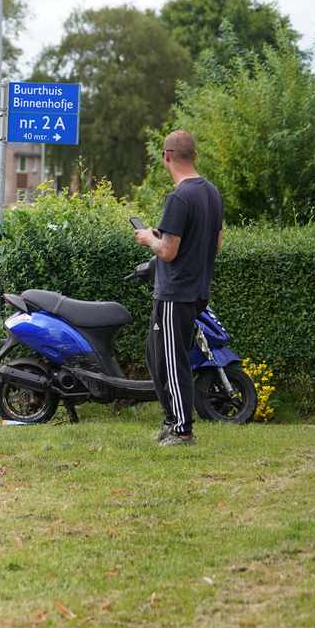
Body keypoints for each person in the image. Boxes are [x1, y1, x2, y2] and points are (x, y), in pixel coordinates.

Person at [135, 130, 224, 446]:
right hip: (196, 289)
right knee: (156, 356)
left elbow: (168, 251)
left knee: (172, 361)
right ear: (195, 156)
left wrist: (149, 239)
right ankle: (172, 418)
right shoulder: (211, 192)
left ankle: (182, 430)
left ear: (167, 156)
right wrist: (165, 234)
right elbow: (216, 241)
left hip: (175, 292)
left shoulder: (179, 196)